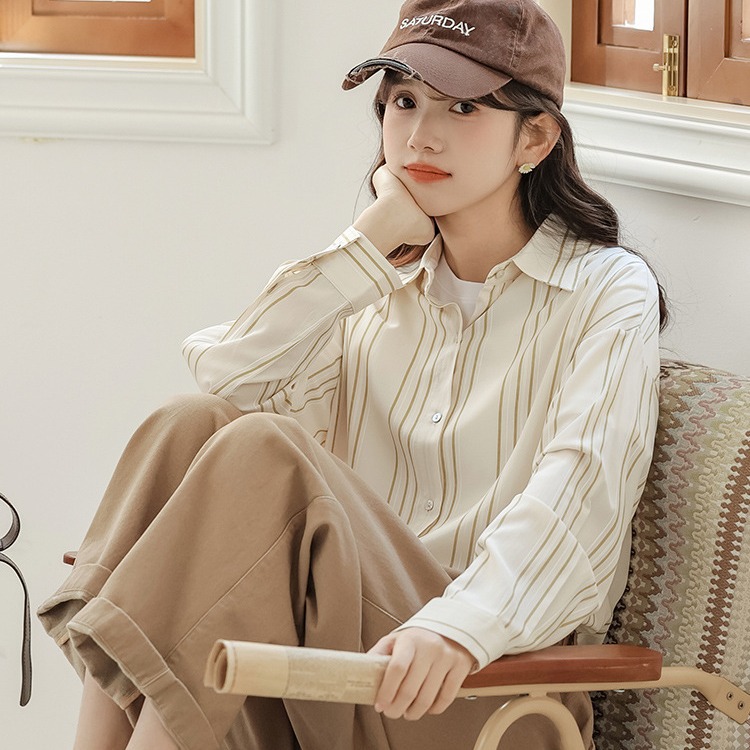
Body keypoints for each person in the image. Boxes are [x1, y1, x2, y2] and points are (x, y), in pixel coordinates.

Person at [38, 0, 667, 748]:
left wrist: (455, 628)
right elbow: (226, 379)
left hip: (485, 688)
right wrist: (365, 247)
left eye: (463, 106)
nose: (420, 135)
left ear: (534, 137)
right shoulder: (374, 284)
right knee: (190, 423)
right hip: (340, 663)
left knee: (263, 449)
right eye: (403, 102)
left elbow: (581, 499)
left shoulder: (605, 291)